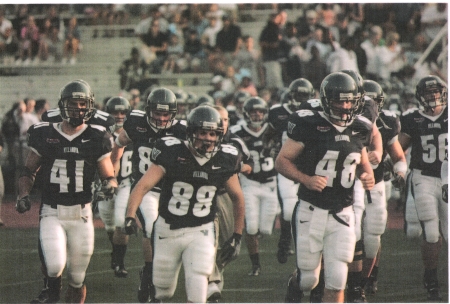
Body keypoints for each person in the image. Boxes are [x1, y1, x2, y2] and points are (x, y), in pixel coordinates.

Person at [123, 105, 244, 302]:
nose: (208, 139)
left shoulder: (226, 158)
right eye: (203, 133)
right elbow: (142, 186)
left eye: (213, 134)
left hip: (201, 230)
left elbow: (238, 197)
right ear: (190, 133)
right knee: (163, 291)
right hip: (168, 229)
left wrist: (237, 236)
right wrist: (130, 215)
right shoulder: (171, 151)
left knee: (198, 288)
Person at [16, 79, 118, 303]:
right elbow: (28, 170)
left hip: (81, 213)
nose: (78, 109)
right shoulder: (45, 133)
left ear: (89, 106)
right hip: (51, 211)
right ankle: (52, 297)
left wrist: (108, 188)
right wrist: (23, 194)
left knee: (77, 278)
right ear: (63, 105)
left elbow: (109, 176)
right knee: (54, 266)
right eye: (73, 104)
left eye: (82, 104)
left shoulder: (97, 136)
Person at [278, 72, 375, 303]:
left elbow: (362, 163)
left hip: (343, 213)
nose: (345, 106)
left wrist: (367, 175)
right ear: (325, 100)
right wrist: (306, 179)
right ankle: (294, 286)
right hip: (311, 211)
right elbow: (282, 161)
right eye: (339, 100)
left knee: (337, 279)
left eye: (349, 100)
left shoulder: (361, 126)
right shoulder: (308, 123)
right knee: (309, 280)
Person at [111, 87, 186, 303]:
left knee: (171, 237)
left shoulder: (182, 131)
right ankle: (150, 277)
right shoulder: (136, 123)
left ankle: (149, 274)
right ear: (148, 110)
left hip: (172, 192)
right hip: (145, 190)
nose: (161, 118)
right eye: (157, 113)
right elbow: (118, 143)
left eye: (166, 114)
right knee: (152, 229)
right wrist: (113, 169)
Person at [398, 75, 448, 301]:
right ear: (420, 96)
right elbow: (399, 149)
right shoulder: (412, 118)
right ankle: (431, 279)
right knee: (430, 231)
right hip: (424, 177)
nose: (433, 96)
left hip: (448, 178)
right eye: (429, 93)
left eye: (436, 91)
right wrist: (395, 167)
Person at [357, 80, 407, 295]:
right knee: (348, 237)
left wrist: (400, 172)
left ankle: (365, 280)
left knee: (373, 236)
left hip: (375, 185)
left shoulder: (387, 123)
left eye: (373, 102)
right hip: (348, 187)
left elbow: (398, 156)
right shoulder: (347, 121)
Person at [263, 78, 315, 265]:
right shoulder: (278, 113)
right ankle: (285, 243)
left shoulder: (316, 113)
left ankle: (304, 243)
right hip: (287, 166)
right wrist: (268, 146)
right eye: (298, 95)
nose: (301, 99)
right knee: (287, 210)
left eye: (304, 96)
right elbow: (268, 133)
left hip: (309, 166)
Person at [207, 105, 252, 302]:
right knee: (208, 241)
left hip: (226, 194)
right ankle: (210, 284)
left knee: (227, 247)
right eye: (218, 119)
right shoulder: (200, 136)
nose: (222, 123)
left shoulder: (234, 142)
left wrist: (238, 166)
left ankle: (214, 278)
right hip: (204, 195)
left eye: (225, 120)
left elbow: (248, 165)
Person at [230, 96, 278, 276]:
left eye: (260, 111)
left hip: (270, 184)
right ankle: (255, 265)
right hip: (249, 183)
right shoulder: (237, 132)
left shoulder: (273, 130)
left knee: (265, 229)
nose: (257, 115)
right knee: (250, 226)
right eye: (253, 111)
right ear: (246, 114)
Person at [96, 96, 132, 278]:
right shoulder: (100, 133)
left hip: (125, 183)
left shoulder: (134, 133)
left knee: (121, 222)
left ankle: (119, 262)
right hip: (105, 183)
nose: (119, 116)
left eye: (122, 112)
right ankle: (116, 252)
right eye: (115, 112)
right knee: (109, 224)